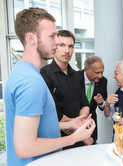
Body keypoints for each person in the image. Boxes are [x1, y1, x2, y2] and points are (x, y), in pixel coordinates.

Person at [4, 8, 95, 166]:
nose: (57, 42)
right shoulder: (31, 82)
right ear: (31, 38)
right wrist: (74, 137)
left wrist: (70, 124)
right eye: (52, 36)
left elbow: (35, 125)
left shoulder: (22, 72)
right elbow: (25, 147)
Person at [40, 30, 92, 149]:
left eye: (71, 46)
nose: (67, 50)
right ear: (55, 47)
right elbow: (51, 109)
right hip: (57, 138)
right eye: (62, 45)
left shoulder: (76, 75)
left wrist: (77, 124)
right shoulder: (45, 73)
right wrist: (72, 125)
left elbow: (84, 104)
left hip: (79, 137)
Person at [83, 56, 108, 144]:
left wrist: (101, 102)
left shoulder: (103, 81)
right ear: (86, 70)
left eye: (102, 72)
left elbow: (103, 105)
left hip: (91, 124)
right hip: (75, 123)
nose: (100, 76)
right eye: (97, 73)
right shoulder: (74, 78)